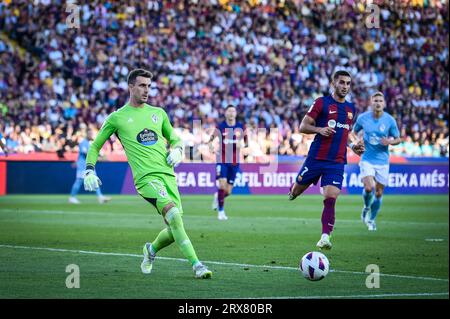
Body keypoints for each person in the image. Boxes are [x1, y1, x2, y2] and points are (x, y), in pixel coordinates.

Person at [83, 68, 212, 279]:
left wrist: (178, 149)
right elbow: (95, 145)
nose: (147, 90)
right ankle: (197, 265)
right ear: (130, 87)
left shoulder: (158, 113)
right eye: (142, 85)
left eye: (149, 86)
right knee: (172, 215)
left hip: (168, 176)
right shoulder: (117, 118)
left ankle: (150, 250)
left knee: (174, 227)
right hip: (146, 178)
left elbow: (174, 138)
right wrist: (89, 169)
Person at [288, 70, 365, 250]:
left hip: (336, 162)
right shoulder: (321, 102)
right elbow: (303, 126)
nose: (345, 86)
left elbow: (344, 134)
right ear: (333, 84)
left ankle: (325, 237)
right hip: (316, 158)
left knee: (331, 196)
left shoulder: (350, 109)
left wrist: (353, 147)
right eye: (342, 83)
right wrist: (320, 130)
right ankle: (293, 191)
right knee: (297, 190)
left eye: (348, 83)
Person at [353, 92, 402, 231]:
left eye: (380, 100)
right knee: (369, 188)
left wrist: (390, 141)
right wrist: (357, 141)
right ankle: (366, 207)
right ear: (371, 103)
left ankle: (372, 220)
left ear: (384, 103)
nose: (378, 103)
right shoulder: (363, 118)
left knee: (379, 193)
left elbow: (398, 139)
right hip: (367, 158)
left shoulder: (389, 120)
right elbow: (353, 132)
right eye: (375, 100)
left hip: (383, 161)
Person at [208, 105, 246, 220]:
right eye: (229, 111)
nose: (231, 113)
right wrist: (210, 146)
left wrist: (242, 145)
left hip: (234, 162)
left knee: (228, 191)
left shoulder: (241, 127)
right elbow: (210, 140)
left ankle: (217, 197)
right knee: (222, 185)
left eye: (233, 111)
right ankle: (221, 211)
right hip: (222, 160)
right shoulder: (221, 126)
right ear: (225, 113)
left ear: (235, 113)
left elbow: (246, 143)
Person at [68, 130, 111, 204]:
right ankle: (72, 197)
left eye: (92, 134)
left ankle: (100, 197)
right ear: (87, 134)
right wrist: (100, 157)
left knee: (95, 180)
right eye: (90, 134)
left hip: (89, 165)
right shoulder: (83, 143)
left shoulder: (89, 143)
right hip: (82, 165)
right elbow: (86, 154)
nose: (91, 135)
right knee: (79, 181)